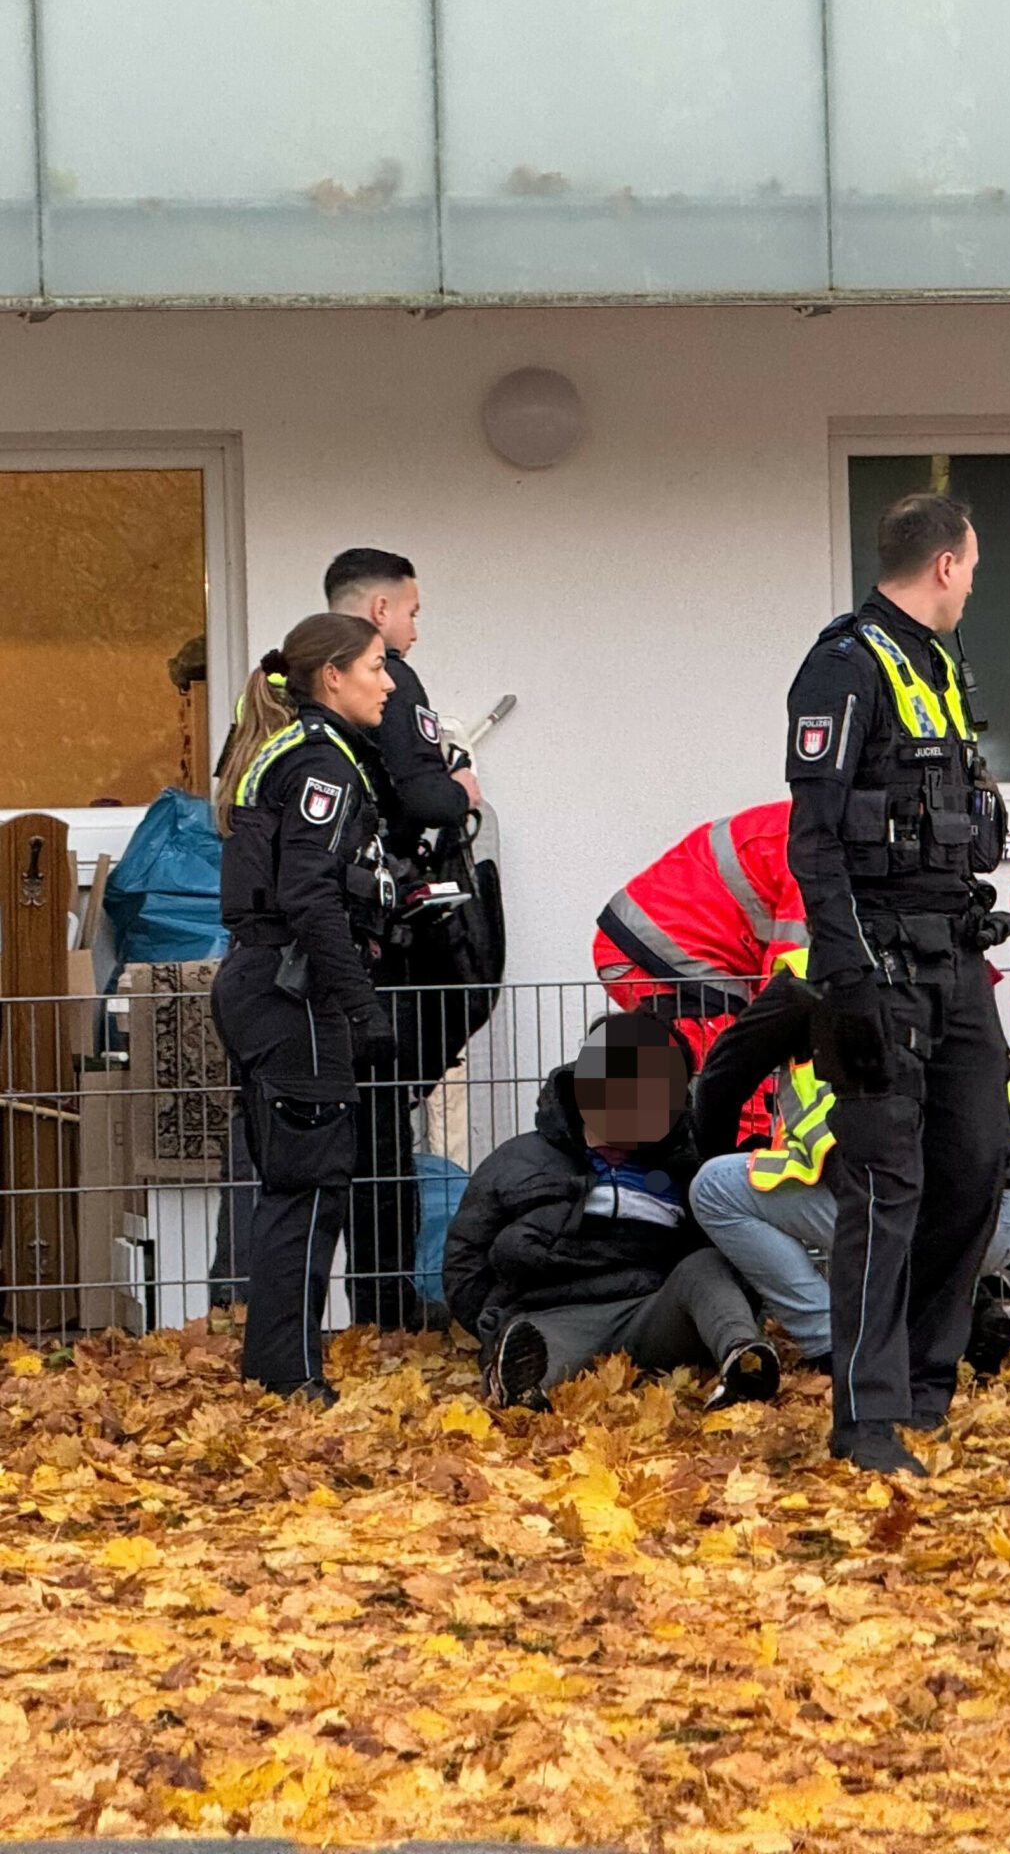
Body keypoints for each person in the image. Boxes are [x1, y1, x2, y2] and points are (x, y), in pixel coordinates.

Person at [784, 491, 1010, 1475]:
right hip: (875, 962)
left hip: (955, 959)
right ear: (948, 565)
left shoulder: (939, 665)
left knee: (979, 1154)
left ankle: (926, 1384)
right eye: (974, 567)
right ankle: (867, 1420)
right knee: (884, 1183)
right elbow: (814, 839)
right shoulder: (845, 665)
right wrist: (847, 980)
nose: (974, 582)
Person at [688, 963, 1010, 1377]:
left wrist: (714, 1151)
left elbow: (722, 1077)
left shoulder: (810, 973)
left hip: (903, 1211)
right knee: (923, 1190)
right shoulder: (955, 963)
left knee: (715, 1188)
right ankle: (962, 1318)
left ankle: (830, 1341)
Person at [210, 614, 401, 1402]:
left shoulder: (287, 752)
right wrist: (364, 1011)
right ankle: (290, 1377)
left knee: (293, 1180)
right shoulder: (321, 762)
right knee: (310, 1184)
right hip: (294, 994)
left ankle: (279, 1367)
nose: (388, 683)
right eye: (377, 667)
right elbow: (308, 896)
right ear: (332, 676)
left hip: (265, 985)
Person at [441, 1012, 779, 1410]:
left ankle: (745, 1360)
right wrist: (492, 1322)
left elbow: (729, 1253)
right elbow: (464, 1257)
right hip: (553, 1316)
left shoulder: (690, 1168)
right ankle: (519, 1383)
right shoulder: (518, 1159)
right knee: (528, 1345)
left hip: (651, 1314)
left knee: (705, 1266)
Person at [323, 548, 483, 1333]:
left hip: (332, 956)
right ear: (380, 611)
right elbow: (423, 794)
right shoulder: (387, 678)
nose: (413, 635)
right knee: (383, 1127)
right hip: (384, 952)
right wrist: (461, 788)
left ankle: (365, 1303)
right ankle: (387, 1305)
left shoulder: (298, 708)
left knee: (349, 1133)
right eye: (412, 611)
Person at [592, 801, 807, 1107]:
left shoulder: (804, 828)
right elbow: (791, 972)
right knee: (733, 1060)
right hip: (663, 951)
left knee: (711, 1068)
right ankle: (740, 1149)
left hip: (657, 946)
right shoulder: (816, 851)